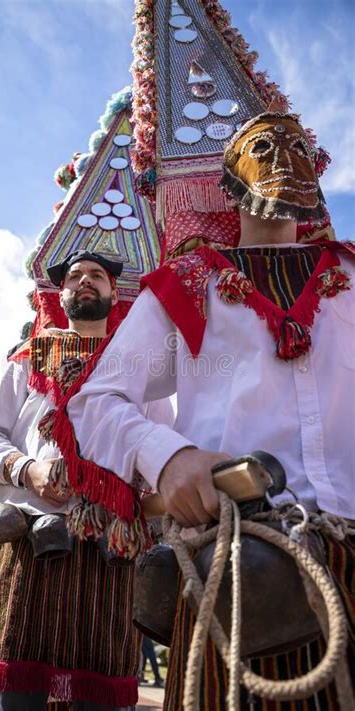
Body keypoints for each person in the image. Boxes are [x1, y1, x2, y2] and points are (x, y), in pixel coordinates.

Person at [64, 113, 354, 710]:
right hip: (239, 563)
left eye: (298, 145)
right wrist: (168, 460)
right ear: (228, 181)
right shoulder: (187, 283)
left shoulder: (351, 277)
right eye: (263, 146)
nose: (282, 157)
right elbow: (95, 401)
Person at [0, 250, 174, 711]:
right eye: (75, 276)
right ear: (60, 295)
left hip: (111, 551)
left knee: (100, 699)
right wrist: (27, 468)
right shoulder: (27, 359)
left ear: (113, 294)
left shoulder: (140, 370)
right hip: (30, 544)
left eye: (97, 276)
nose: (85, 281)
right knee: (15, 696)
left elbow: (163, 448)